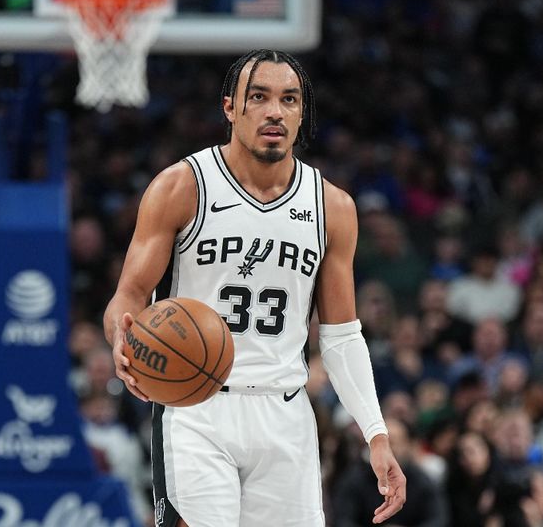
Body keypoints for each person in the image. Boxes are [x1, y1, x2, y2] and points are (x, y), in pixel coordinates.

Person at [104, 49, 406, 527]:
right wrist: (121, 338)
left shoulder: (333, 207)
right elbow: (129, 295)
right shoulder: (182, 186)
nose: (274, 112)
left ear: (301, 113)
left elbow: (342, 336)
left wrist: (376, 434)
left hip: (285, 414)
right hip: (195, 409)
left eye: (289, 100)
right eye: (259, 97)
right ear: (230, 108)